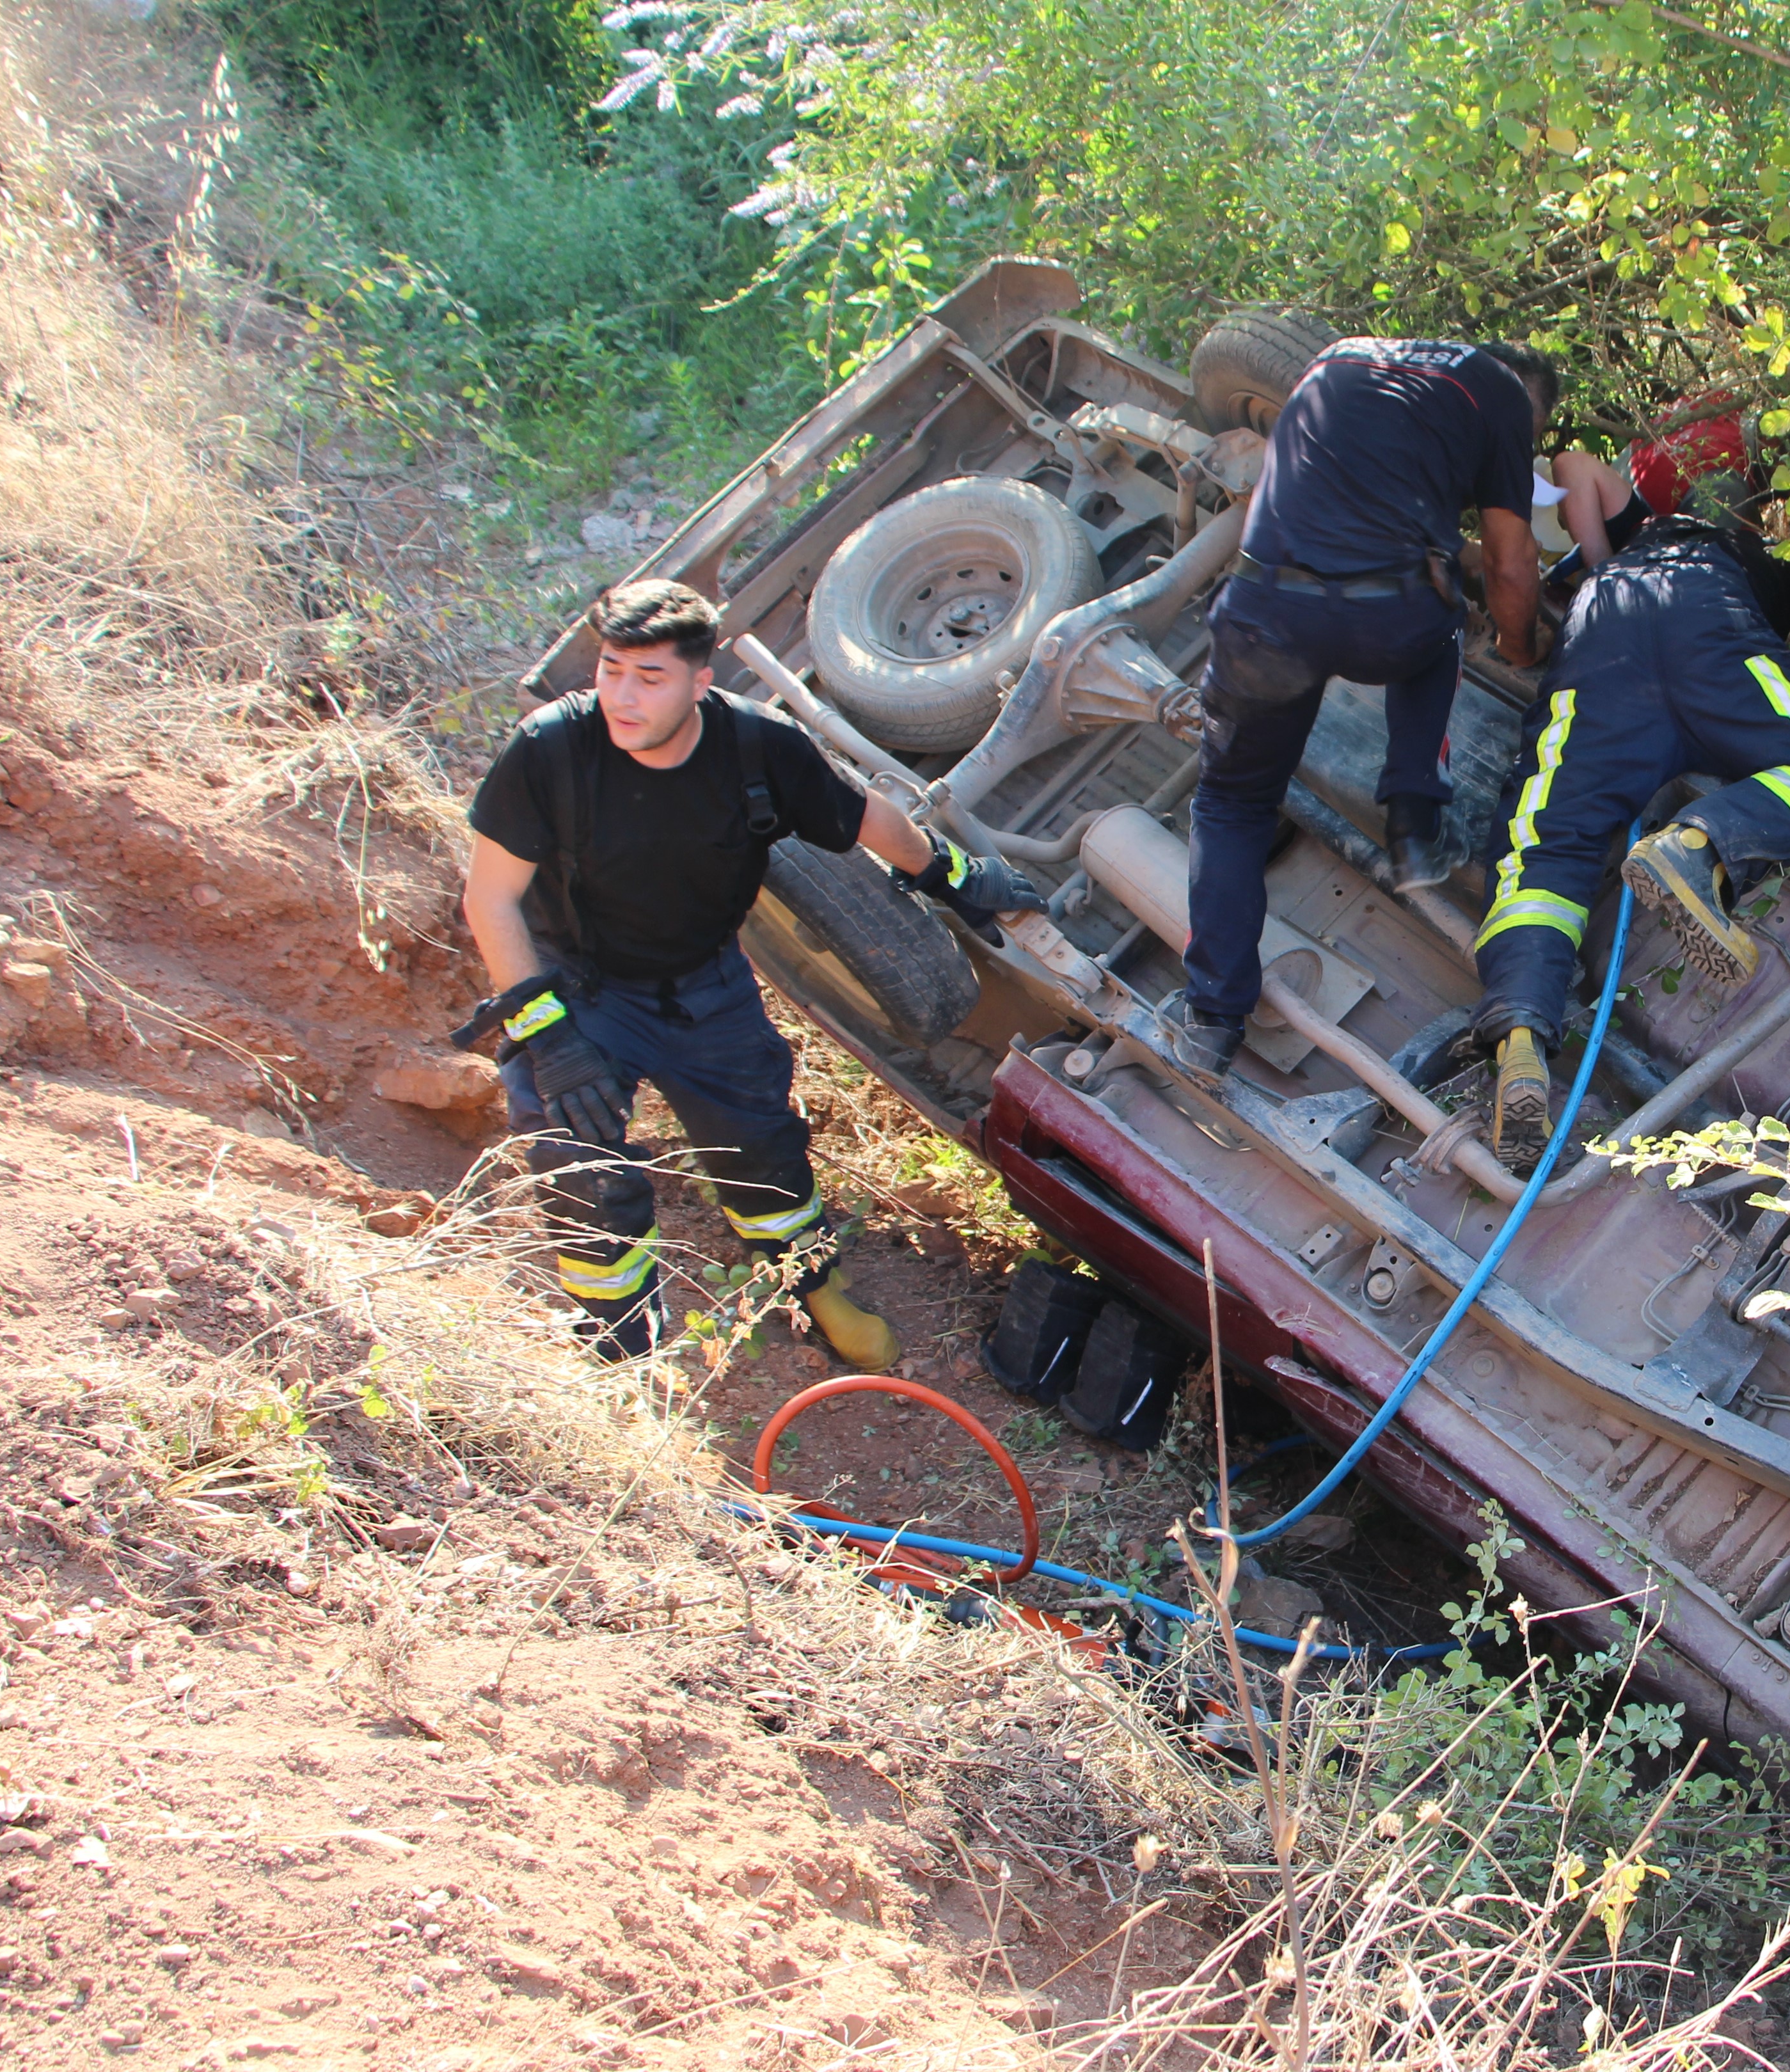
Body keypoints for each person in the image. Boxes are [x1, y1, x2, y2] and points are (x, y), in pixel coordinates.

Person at [458, 579, 1038, 1364]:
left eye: (649, 677)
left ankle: (813, 1291)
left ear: (701, 682)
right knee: (578, 1159)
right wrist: (548, 1039)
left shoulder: (757, 746)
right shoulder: (550, 748)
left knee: (762, 1151)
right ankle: (620, 1343)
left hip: (706, 992)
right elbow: (491, 899)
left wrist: (955, 875)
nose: (622, 698)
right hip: (580, 989)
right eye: (610, 669)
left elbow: (862, 814)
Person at [1173, 335, 1560, 1086]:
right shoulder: (1501, 393)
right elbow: (1511, 564)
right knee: (1444, 627)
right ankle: (1415, 818)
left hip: (1264, 615)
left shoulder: (1338, 356)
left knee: (1229, 804)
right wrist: (1519, 649)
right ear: (1529, 394)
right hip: (1388, 620)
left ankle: (1210, 1023)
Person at [1471, 509, 1790, 1171]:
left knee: (1543, 856)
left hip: (1599, 629)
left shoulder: (1638, 534)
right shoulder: (1756, 541)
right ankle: (1702, 845)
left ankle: (1521, 1033)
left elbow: (1581, 472)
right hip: (1704, 618)